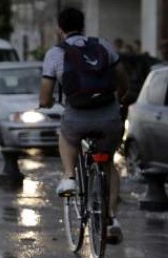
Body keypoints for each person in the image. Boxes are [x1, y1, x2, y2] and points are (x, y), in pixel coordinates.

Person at [39, 7, 130, 243]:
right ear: (83, 25)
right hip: (109, 116)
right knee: (108, 162)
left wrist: (45, 103)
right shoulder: (104, 45)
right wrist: (121, 96)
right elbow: (122, 78)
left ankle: (69, 175)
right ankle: (111, 218)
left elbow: (46, 95)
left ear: (60, 29)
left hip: (77, 115)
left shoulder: (55, 53)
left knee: (67, 136)